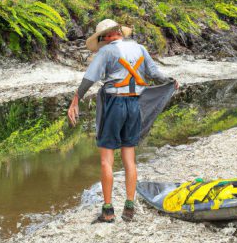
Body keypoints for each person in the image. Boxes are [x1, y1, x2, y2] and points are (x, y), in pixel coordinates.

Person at [68, 19, 178, 223]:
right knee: (129, 158)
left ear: (107, 35)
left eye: (101, 38)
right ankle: (129, 208)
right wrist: (171, 82)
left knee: (106, 159)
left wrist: (75, 100)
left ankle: (108, 211)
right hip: (134, 105)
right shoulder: (140, 49)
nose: (101, 42)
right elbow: (155, 74)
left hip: (113, 104)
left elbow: (89, 78)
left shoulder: (106, 52)